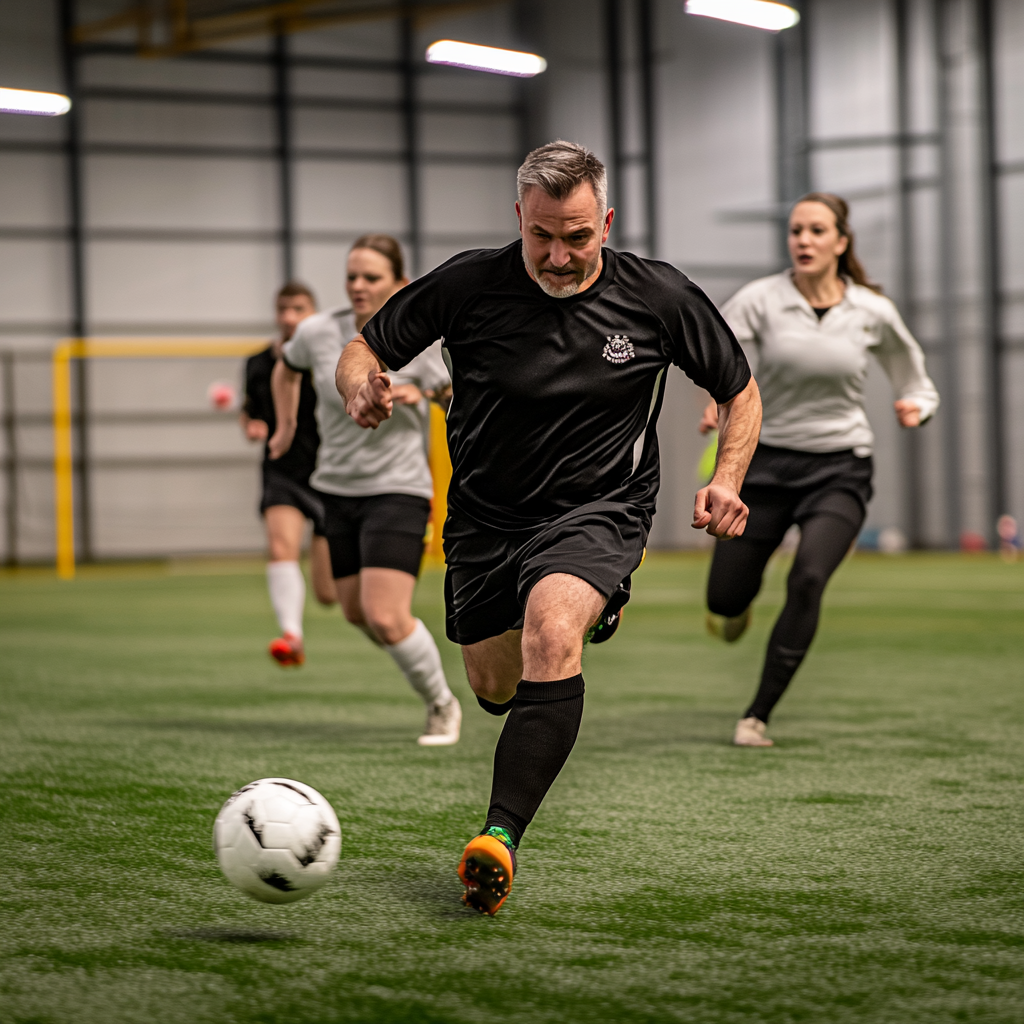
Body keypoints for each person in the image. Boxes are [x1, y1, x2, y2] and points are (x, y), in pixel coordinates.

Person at [338, 141, 761, 915]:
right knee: (495, 687)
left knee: (552, 633)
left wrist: (727, 478)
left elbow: (740, 389)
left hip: (597, 509)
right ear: (518, 220)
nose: (559, 256)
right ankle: (586, 616)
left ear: (605, 221)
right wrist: (361, 382)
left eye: (576, 236)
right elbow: (365, 346)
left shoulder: (657, 296)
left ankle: (498, 838)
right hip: (483, 520)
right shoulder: (470, 283)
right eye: (542, 236)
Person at [700, 192, 940, 747]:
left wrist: (917, 408)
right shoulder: (760, 299)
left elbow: (916, 380)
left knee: (808, 577)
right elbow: (718, 361)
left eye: (815, 230)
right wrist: (717, 410)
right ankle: (734, 611)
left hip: (840, 468)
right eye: (795, 231)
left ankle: (756, 714)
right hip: (763, 468)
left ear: (841, 241)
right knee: (725, 601)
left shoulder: (872, 311)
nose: (803, 240)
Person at [269, 234, 462, 747]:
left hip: (398, 491)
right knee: (353, 611)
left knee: (385, 614)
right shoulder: (316, 332)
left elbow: (459, 397)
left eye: (371, 277)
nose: (357, 286)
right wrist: (285, 429)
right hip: (335, 490)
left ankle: (442, 704)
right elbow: (283, 370)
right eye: (351, 276)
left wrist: (425, 392)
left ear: (399, 283)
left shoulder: (420, 343)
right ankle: (431, 688)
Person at [241, 281, 335, 668]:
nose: (288, 317)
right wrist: (252, 425)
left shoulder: (332, 359)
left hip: (332, 474)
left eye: (298, 308)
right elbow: (249, 410)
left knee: (329, 593)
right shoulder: (258, 362)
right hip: (282, 472)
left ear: (314, 313)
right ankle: (291, 636)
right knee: (280, 546)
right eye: (282, 309)